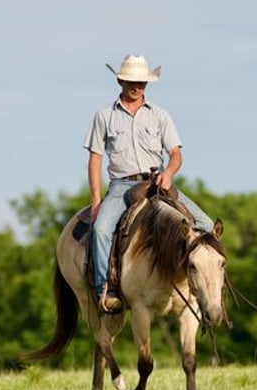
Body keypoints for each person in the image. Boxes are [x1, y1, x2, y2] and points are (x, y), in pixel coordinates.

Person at [83, 54, 214, 313]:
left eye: (142, 82)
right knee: (100, 230)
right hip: (121, 186)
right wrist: (96, 200)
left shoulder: (160, 115)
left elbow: (176, 154)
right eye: (132, 81)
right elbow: (95, 159)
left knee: (207, 225)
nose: (137, 86)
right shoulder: (104, 116)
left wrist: (168, 173)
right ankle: (105, 290)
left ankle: (200, 287)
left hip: (157, 182)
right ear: (120, 81)